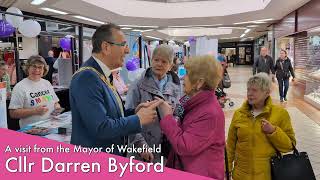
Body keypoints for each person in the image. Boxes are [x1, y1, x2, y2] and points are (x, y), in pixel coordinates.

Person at [69, 24, 162, 156]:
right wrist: (138, 119)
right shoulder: (87, 77)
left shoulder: (101, 74)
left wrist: (134, 112)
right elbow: (101, 127)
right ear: (106, 47)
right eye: (123, 44)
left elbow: (111, 116)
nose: (128, 50)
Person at [157, 55, 225, 179]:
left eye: (187, 74)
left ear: (199, 82)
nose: (183, 78)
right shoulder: (192, 103)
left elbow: (184, 146)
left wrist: (167, 118)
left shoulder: (209, 113)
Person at [227, 73, 296, 180]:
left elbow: (289, 146)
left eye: (254, 90)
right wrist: (227, 169)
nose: (249, 93)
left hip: (267, 175)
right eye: (248, 90)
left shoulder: (280, 114)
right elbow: (230, 146)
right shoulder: (239, 114)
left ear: (267, 93)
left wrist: (273, 132)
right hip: (241, 175)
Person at [125, 44, 181, 162]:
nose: (159, 64)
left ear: (170, 65)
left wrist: (172, 129)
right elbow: (129, 116)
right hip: (142, 150)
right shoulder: (138, 84)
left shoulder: (176, 87)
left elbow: (178, 113)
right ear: (151, 60)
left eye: (164, 61)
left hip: (165, 149)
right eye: (156, 60)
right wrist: (140, 144)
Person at [9, 55, 62, 128]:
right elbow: (13, 113)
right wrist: (34, 111)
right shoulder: (20, 87)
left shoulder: (47, 83)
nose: (37, 70)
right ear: (28, 68)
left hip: (51, 127)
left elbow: (56, 102)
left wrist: (57, 108)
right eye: (34, 66)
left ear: (44, 69)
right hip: (32, 131)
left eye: (40, 67)